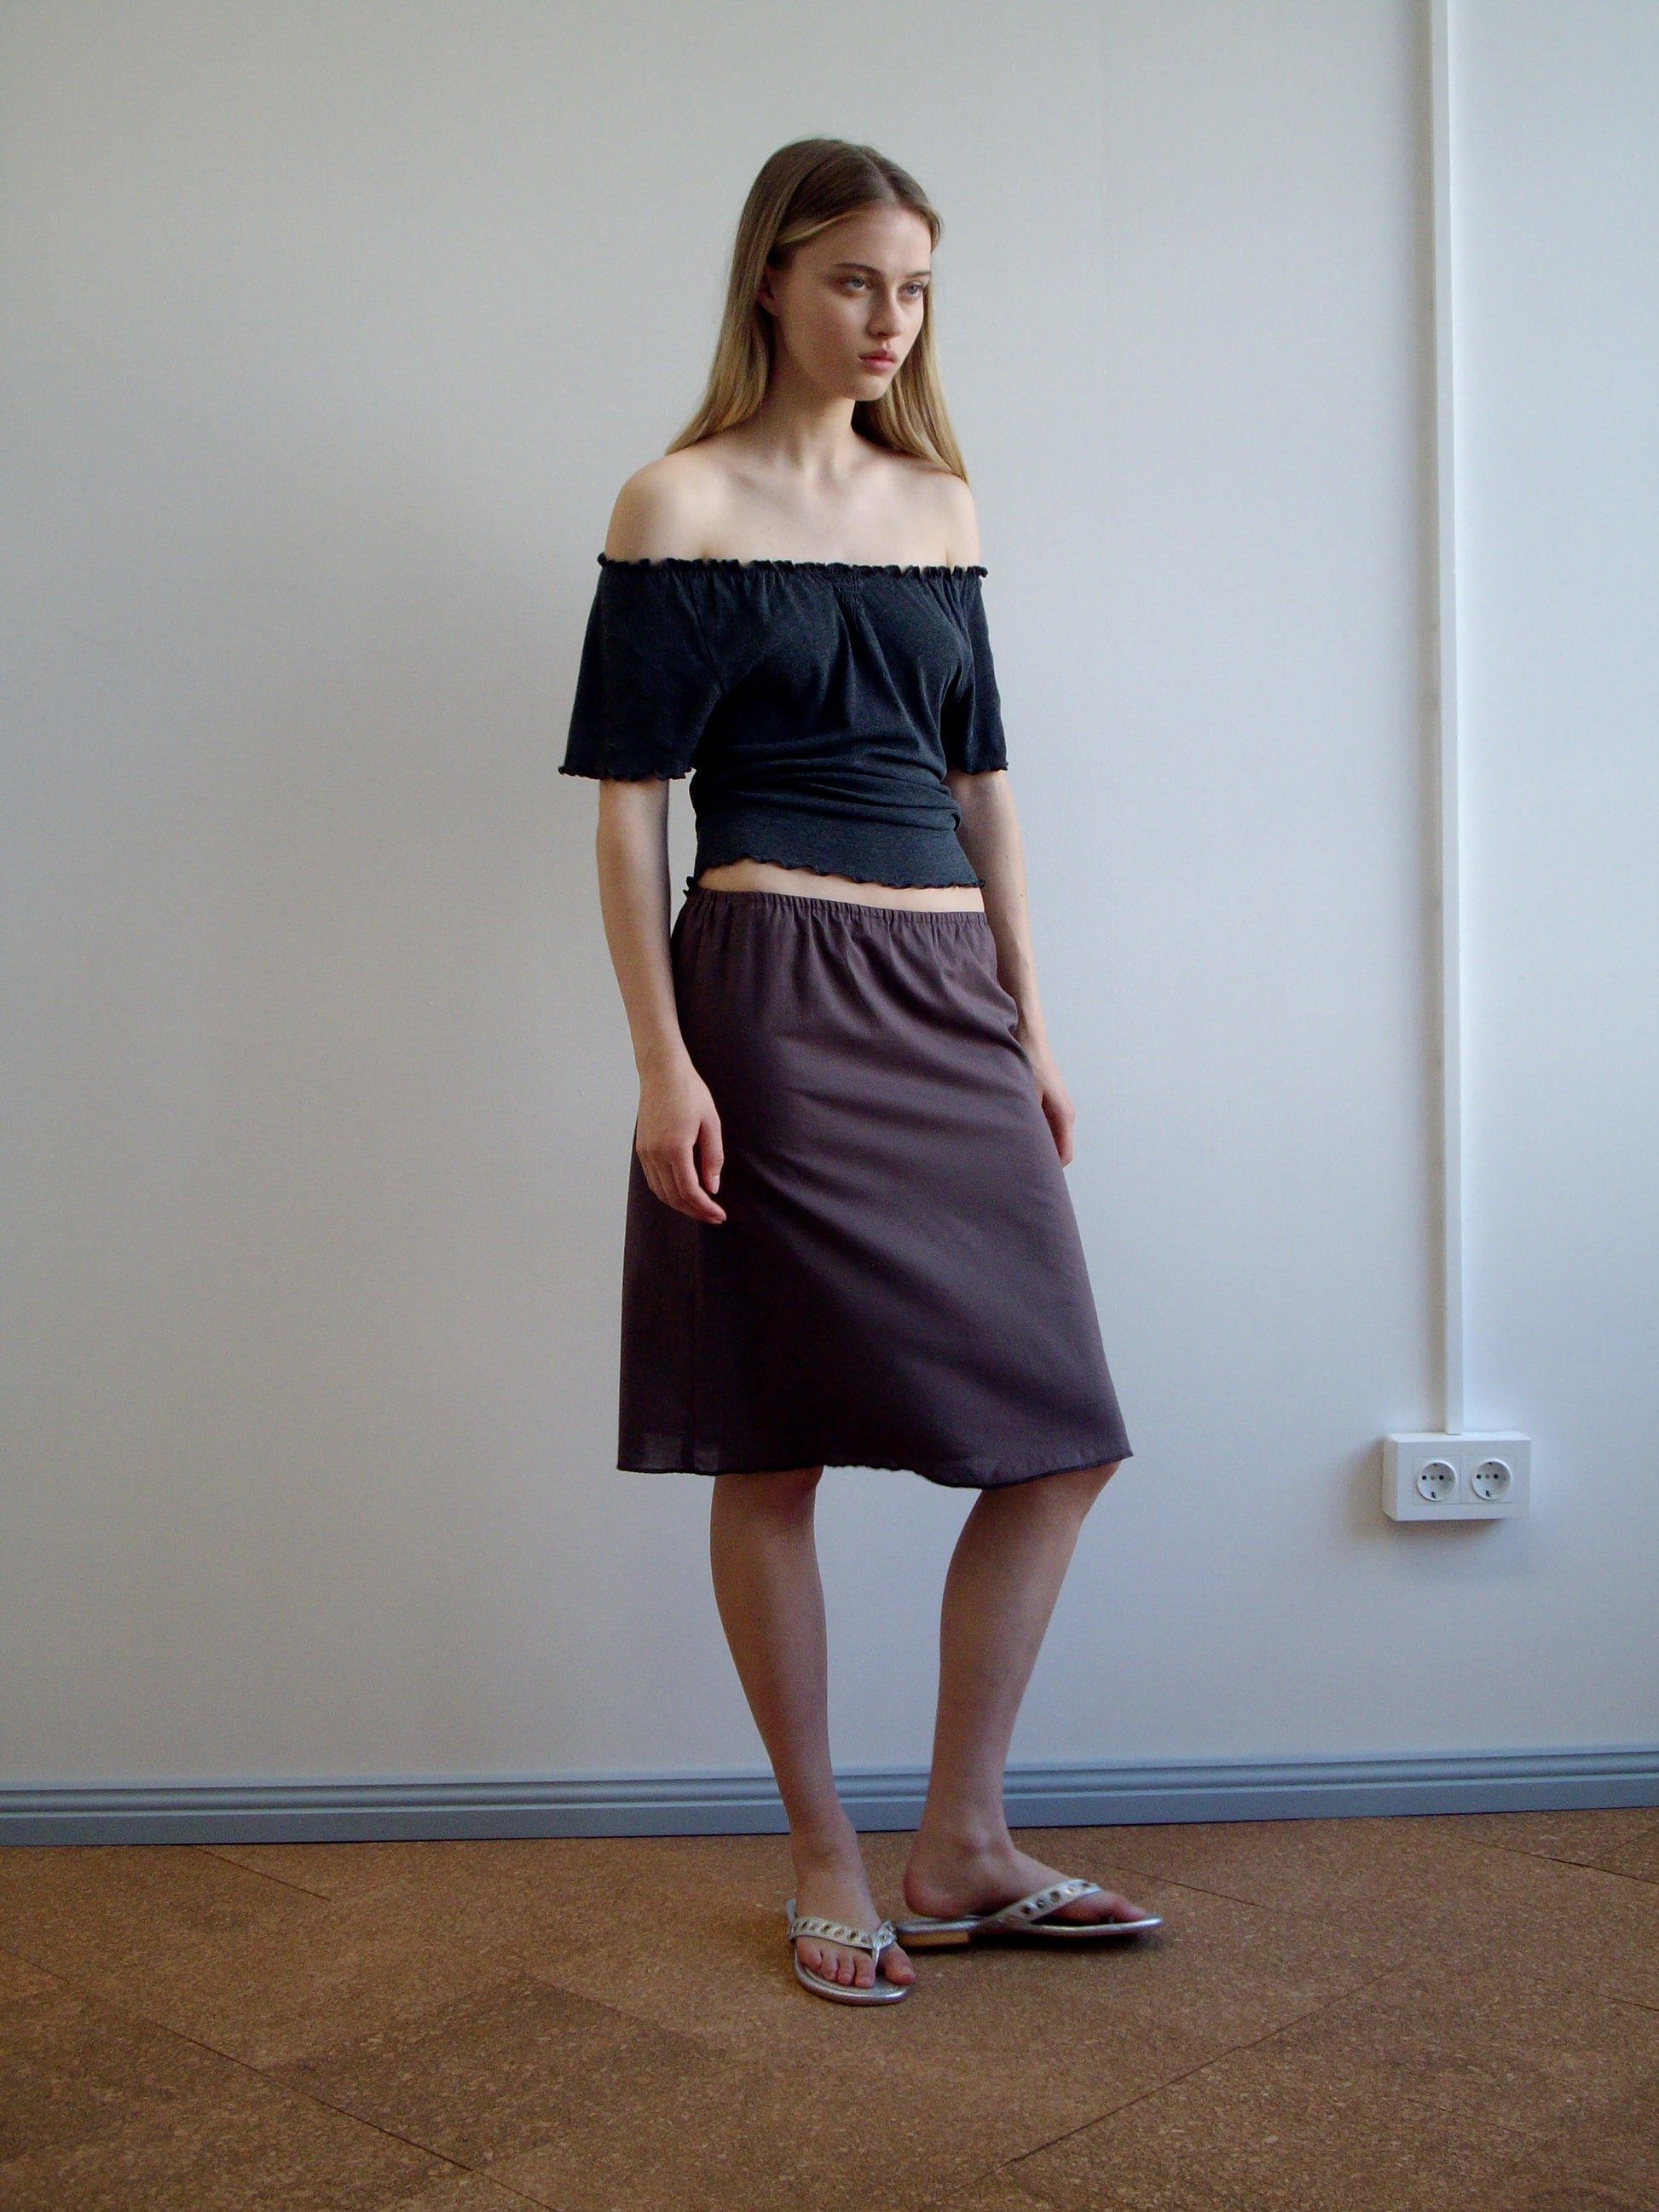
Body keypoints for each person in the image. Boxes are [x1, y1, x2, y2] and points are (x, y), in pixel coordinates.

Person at [561, 137, 1159, 2005]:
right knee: (776, 1428)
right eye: (853, 283)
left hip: (938, 986)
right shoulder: (674, 501)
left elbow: (985, 785)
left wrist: (1031, 1024)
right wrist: (659, 1060)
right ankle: (823, 1845)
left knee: (1058, 1434)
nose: (887, 320)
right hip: (763, 986)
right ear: (769, 282)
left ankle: (961, 1843)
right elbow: (624, 813)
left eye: (913, 288)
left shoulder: (940, 502)